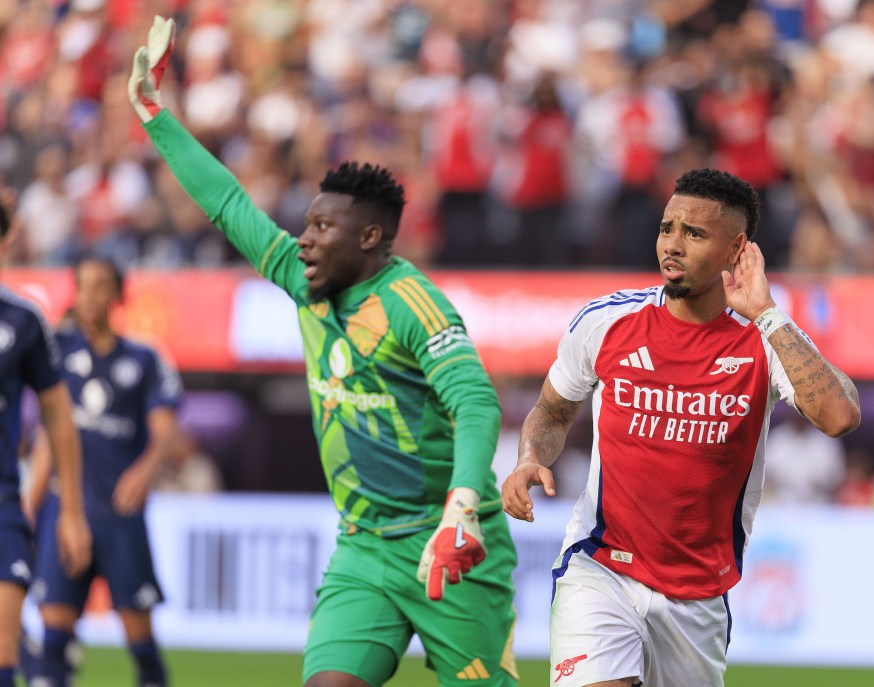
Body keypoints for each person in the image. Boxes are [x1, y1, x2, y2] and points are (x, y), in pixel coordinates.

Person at [128, 18, 518, 687]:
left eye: (321, 227)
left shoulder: (413, 305)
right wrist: (154, 115)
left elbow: (476, 400)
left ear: (371, 238)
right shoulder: (303, 282)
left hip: (449, 543)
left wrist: (460, 508)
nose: (302, 239)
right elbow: (227, 203)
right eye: (306, 224)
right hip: (363, 547)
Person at [502, 168, 861, 687]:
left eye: (693, 234)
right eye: (667, 228)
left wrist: (765, 311)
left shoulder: (764, 338)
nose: (671, 244)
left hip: (699, 595)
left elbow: (840, 416)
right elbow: (553, 411)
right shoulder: (606, 323)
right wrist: (530, 456)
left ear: (737, 249)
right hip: (602, 567)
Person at [21, 256, 182, 687]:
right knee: (53, 632)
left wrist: (143, 472)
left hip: (119, 514)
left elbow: (166, 432)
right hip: (63, 508)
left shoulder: (144, 358)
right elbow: (46, 441)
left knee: (140, 642)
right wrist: (28, 510)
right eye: (83, 285)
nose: (89, 295)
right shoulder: (58, 352)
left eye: (100, 285)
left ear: (117, 294)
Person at [0, 194, 91, 687]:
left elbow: (58, 418)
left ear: (6, 240)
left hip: (2, 507)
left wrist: (72, 512)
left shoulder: (23, 321)